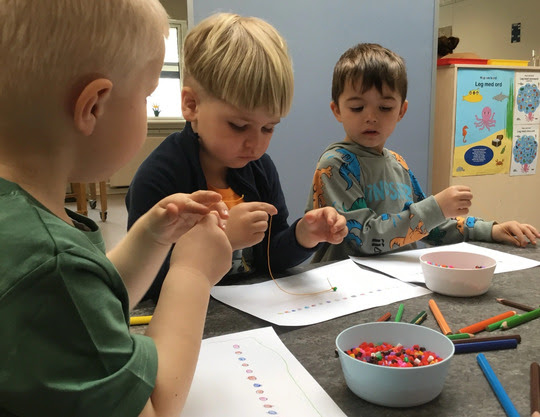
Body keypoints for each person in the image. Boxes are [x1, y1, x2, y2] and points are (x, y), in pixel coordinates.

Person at [0, 1, 233, 416]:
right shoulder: (52, 266)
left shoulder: (22, 226)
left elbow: (89, 304)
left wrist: (152, 237)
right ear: (94, 106)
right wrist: (193, 273)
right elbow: (155, 406)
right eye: (145, 95)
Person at [126, 13, 348, 302]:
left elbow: (271, 258)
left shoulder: (260, 169)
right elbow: (142, 283)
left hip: (251, 311)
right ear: (191, 105)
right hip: (185, 314)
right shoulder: (159, 176)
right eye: (239, 126)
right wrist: (223, 239)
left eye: (268, 128)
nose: (255, 144)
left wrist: (303, 235)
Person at [306, 43, 540, 262]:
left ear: (401, 111)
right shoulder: (335, 164)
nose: (371, 117)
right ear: (337, 110)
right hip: (349, 285)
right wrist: (436, 207)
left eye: (385, 107)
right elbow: (363, 238)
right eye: (357, 107)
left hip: (397, 282)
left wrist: (490, 230)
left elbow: (428, 226)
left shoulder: (397, 163)